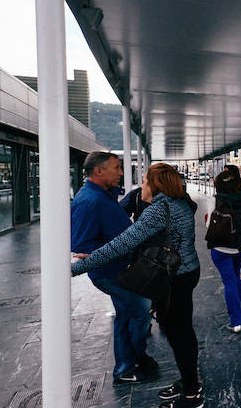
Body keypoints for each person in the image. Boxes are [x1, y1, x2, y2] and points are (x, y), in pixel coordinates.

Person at [72, 163, 204, 408]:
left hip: (173, 278)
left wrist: (76, 268)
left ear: (156, 185)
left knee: (179, 334)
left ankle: (191, 395)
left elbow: (123, 244)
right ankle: (190, 381)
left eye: (144, 181)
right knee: (183, 331)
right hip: (187, 272)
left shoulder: (159, 209)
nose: (141, 185)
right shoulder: (181, 203)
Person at [70, 151, 158, 384]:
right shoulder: (89, 201)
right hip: (111, 273)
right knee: (140, 313)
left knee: (127, 315)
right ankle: (132, 362)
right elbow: (81, 245)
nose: (121, 173)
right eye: (117, 168)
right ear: (99, 171)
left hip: (121, 270)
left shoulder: (104, 195)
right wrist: (119, 248)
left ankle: (126, 366)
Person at [208, 166, 241, 332]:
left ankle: (236, 320)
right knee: (235, 278)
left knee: (229, 282)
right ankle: (236, 310)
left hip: (221, 249)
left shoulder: (216, 200)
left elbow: (208, 224)